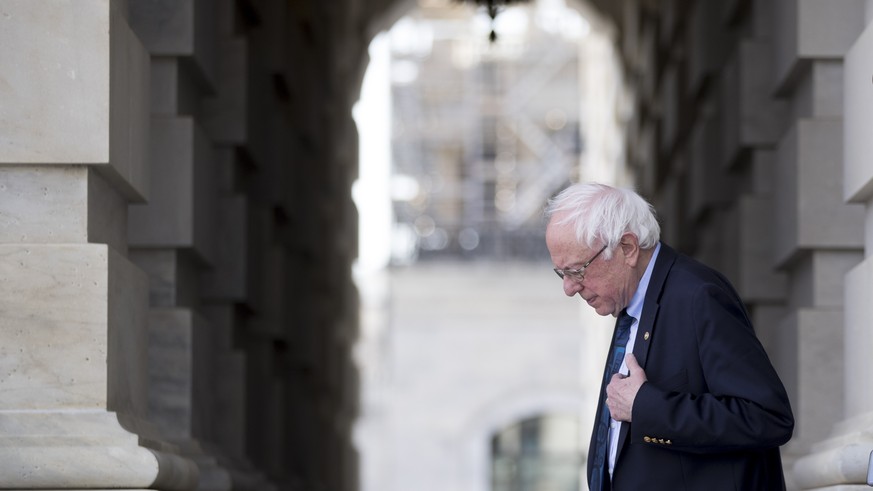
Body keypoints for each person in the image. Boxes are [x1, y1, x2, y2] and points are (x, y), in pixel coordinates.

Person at [544, 182, 794, 491]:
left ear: (627, 248)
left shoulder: (698, 296)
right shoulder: (629, 301)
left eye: (577, 271)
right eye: (562, 274)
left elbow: (766, 417)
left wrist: (645, 406)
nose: (569, 289)